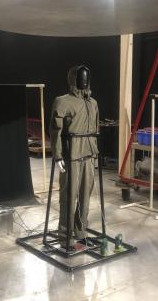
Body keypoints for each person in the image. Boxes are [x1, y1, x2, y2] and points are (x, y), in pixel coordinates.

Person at [50, 65, 99, 250]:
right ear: (72, 79)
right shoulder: (62, 102)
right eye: (80, 77)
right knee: (69, 197)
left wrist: (94, 152)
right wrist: (57, 155)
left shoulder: (93, 103)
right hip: (71, 156)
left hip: (89, 155)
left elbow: (95, 129)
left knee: (85, 197)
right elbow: (55, 131)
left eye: (86, 77)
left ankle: (81, 233)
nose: (84, 80)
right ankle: (65, 236)